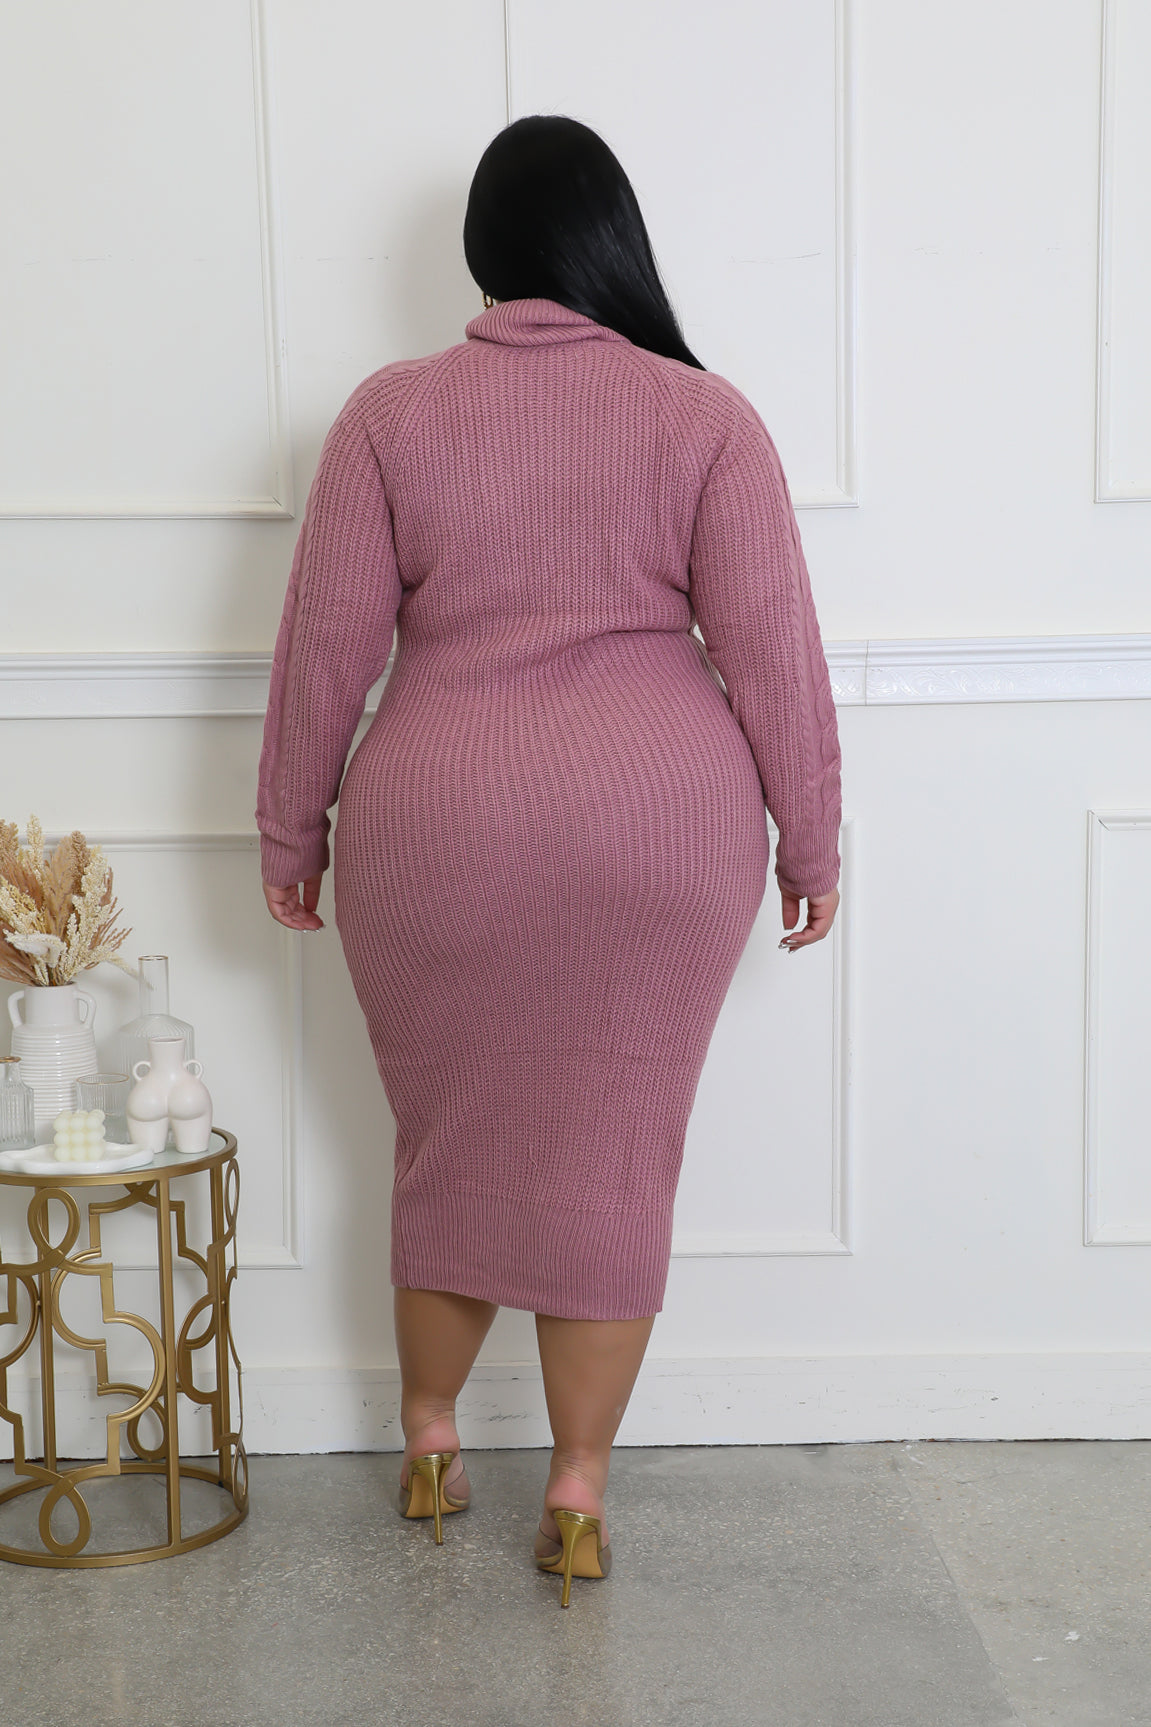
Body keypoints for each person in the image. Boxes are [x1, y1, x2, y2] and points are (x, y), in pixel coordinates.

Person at [256, 114, 842, 1607]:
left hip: (436, 826)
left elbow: (324, 648)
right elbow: (776, 653)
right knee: (615, 1152)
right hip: (658, 829)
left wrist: (291, 828)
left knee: (448, 1138)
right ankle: (576, 1489)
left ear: (484, 248)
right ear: (612, 241)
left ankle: (431, 1440)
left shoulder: (389, 415)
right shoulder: (704, 418)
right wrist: (813, 839)